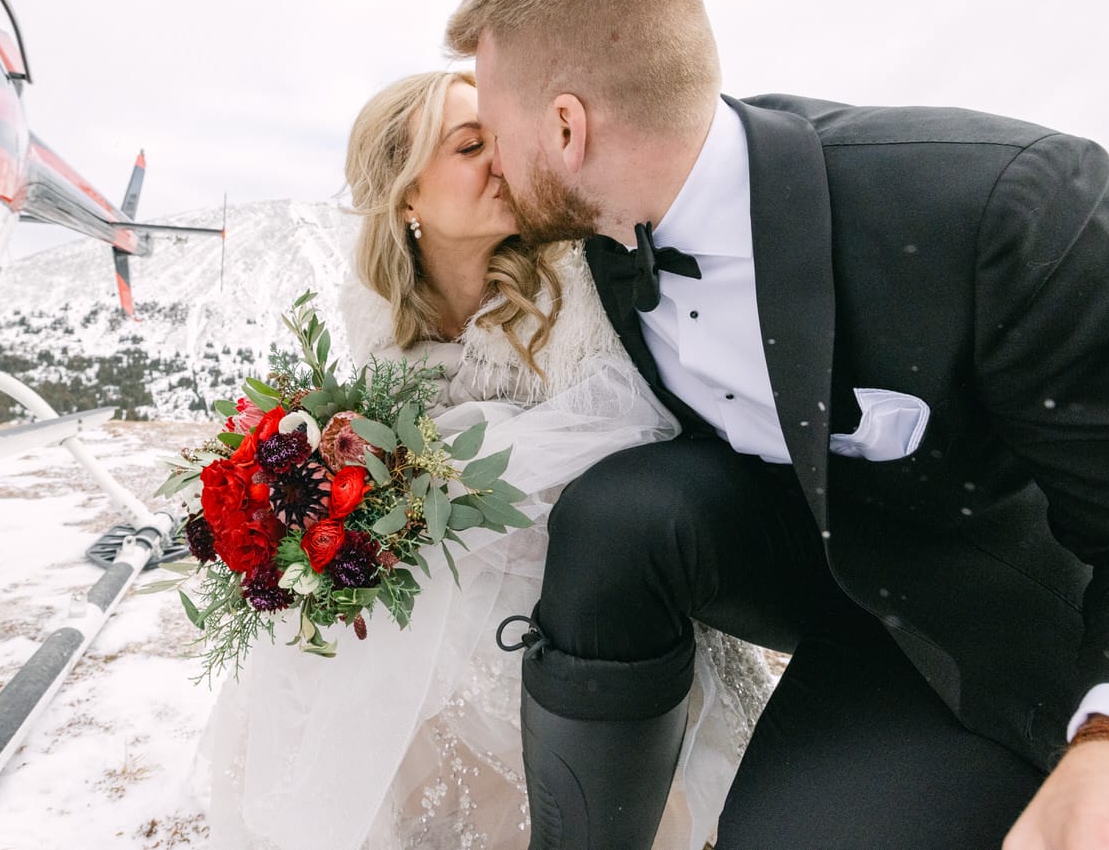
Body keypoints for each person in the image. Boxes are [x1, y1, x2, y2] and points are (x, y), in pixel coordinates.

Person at [443, 0, 1109, 850]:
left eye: (493, 131)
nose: (492, 162)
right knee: (616, 513)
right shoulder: (612, 234)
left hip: (985, 611)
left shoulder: (1007, 212)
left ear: (569, 128)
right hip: (807, 553)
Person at [199, 70, 776, 850]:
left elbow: (630, 419)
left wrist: (430, 472)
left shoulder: (574, 272)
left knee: (442, 590)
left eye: (500, 140)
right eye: (471, 147)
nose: (503, 162)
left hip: (597, 571)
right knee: (343, 611)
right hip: (461, 560)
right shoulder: (381, 315)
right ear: (407, 198)